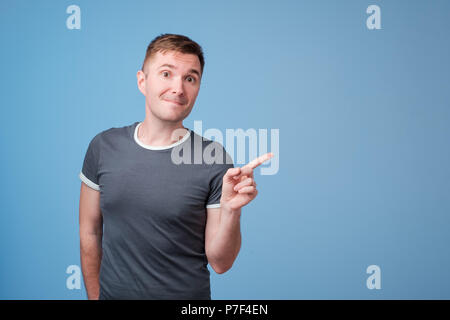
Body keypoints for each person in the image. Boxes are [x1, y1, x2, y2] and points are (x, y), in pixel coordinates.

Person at [78, 33, 272, 300]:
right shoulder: (103, 147)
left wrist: (230, 212)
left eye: (190, 78)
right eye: (166, 74)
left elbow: (221, 263)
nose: (178, 88)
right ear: (142, 81)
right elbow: (89, 232)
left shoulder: (213, 158)